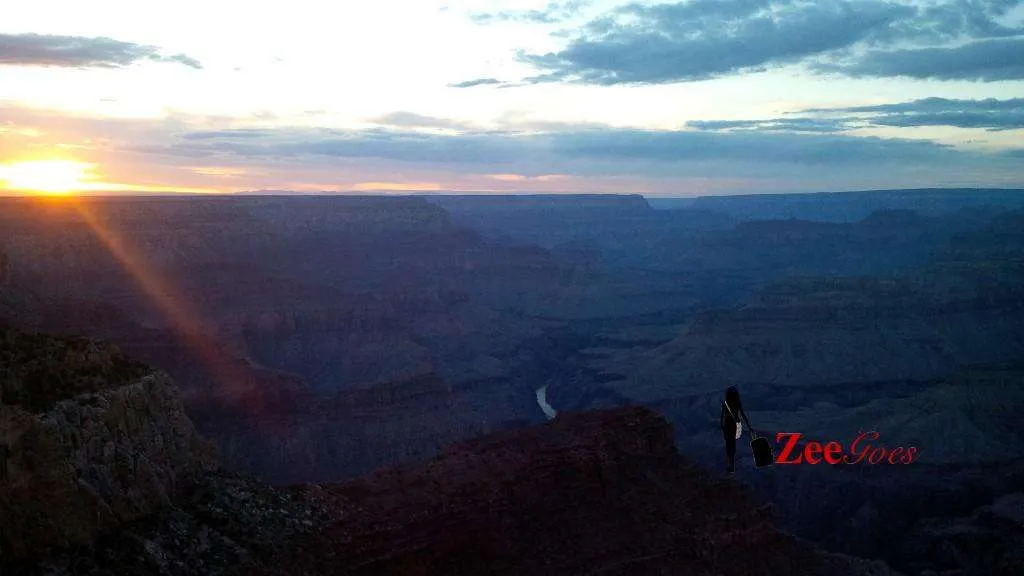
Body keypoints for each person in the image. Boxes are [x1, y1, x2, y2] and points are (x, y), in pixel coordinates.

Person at [720, 386, 753, 474]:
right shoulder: (737, 403)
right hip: (734, 425)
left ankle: (730, 465)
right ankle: (732, 465)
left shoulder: (725, 403)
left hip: (727, 425)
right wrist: (749, 426)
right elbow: (743, 415)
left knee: (728, 444)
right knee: (732, 444)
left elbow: (722, 416)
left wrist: (722, 425)